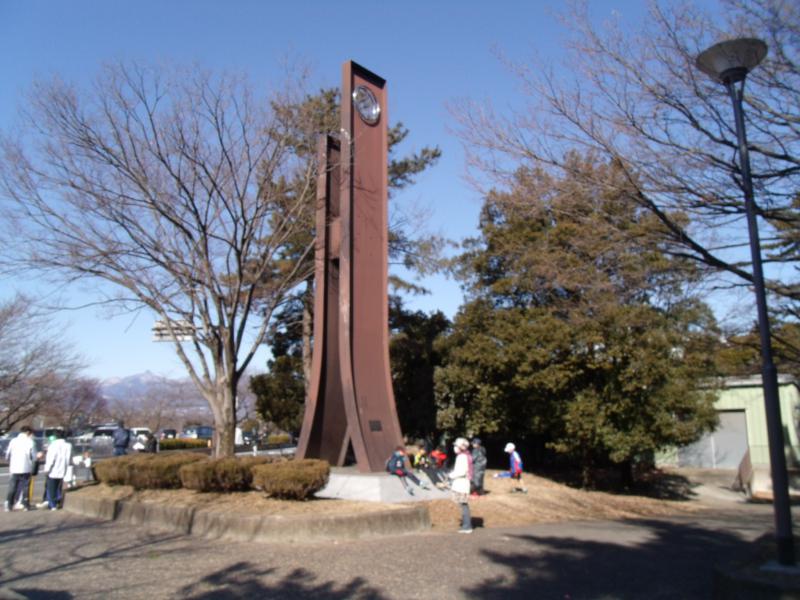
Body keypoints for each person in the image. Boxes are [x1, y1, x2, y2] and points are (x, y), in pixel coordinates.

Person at [4, 426, 38, 511]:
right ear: (27, 432)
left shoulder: (13, 441)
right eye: (30, 433)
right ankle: (26, 504)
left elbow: (7, 454)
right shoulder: (30, 442)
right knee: (25, 486)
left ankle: (9, 504)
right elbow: (34, 456)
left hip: (14, 468)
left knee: (12, 487)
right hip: (26, 467)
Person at [42, 430, 72, 510]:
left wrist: (47, 469)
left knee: (51, 488)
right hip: (62, 469)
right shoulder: (68, 445)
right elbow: (69, 458)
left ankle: (53, 505)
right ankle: (58, 500)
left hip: (53, 470)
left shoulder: (53, 445)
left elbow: (50, 459)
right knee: (58, 486)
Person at [449, 437, 473, 533]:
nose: (454, 447)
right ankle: (466, 525)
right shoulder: (465, 455)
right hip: (462, 483)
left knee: (463, 504)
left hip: (461, 483)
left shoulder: (462, 456)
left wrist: (451, 475)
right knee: (463, 504)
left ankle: (467, 526)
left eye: (455, 445)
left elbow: (461, 471)